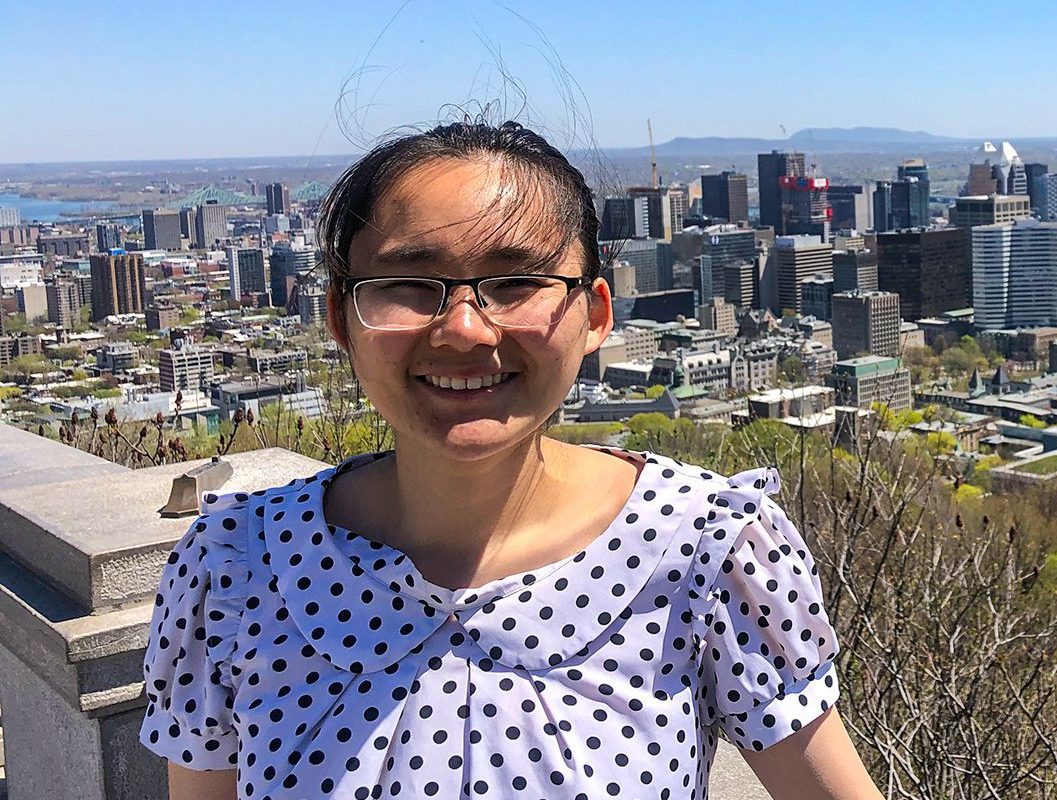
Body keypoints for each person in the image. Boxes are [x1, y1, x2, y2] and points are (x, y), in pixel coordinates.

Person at [140, 120, 883, 799]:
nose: (464, 328)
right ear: (341, 316)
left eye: (515, 282)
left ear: (594, 315)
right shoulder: (234, 568)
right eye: (407, 283)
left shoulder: (708, 549)